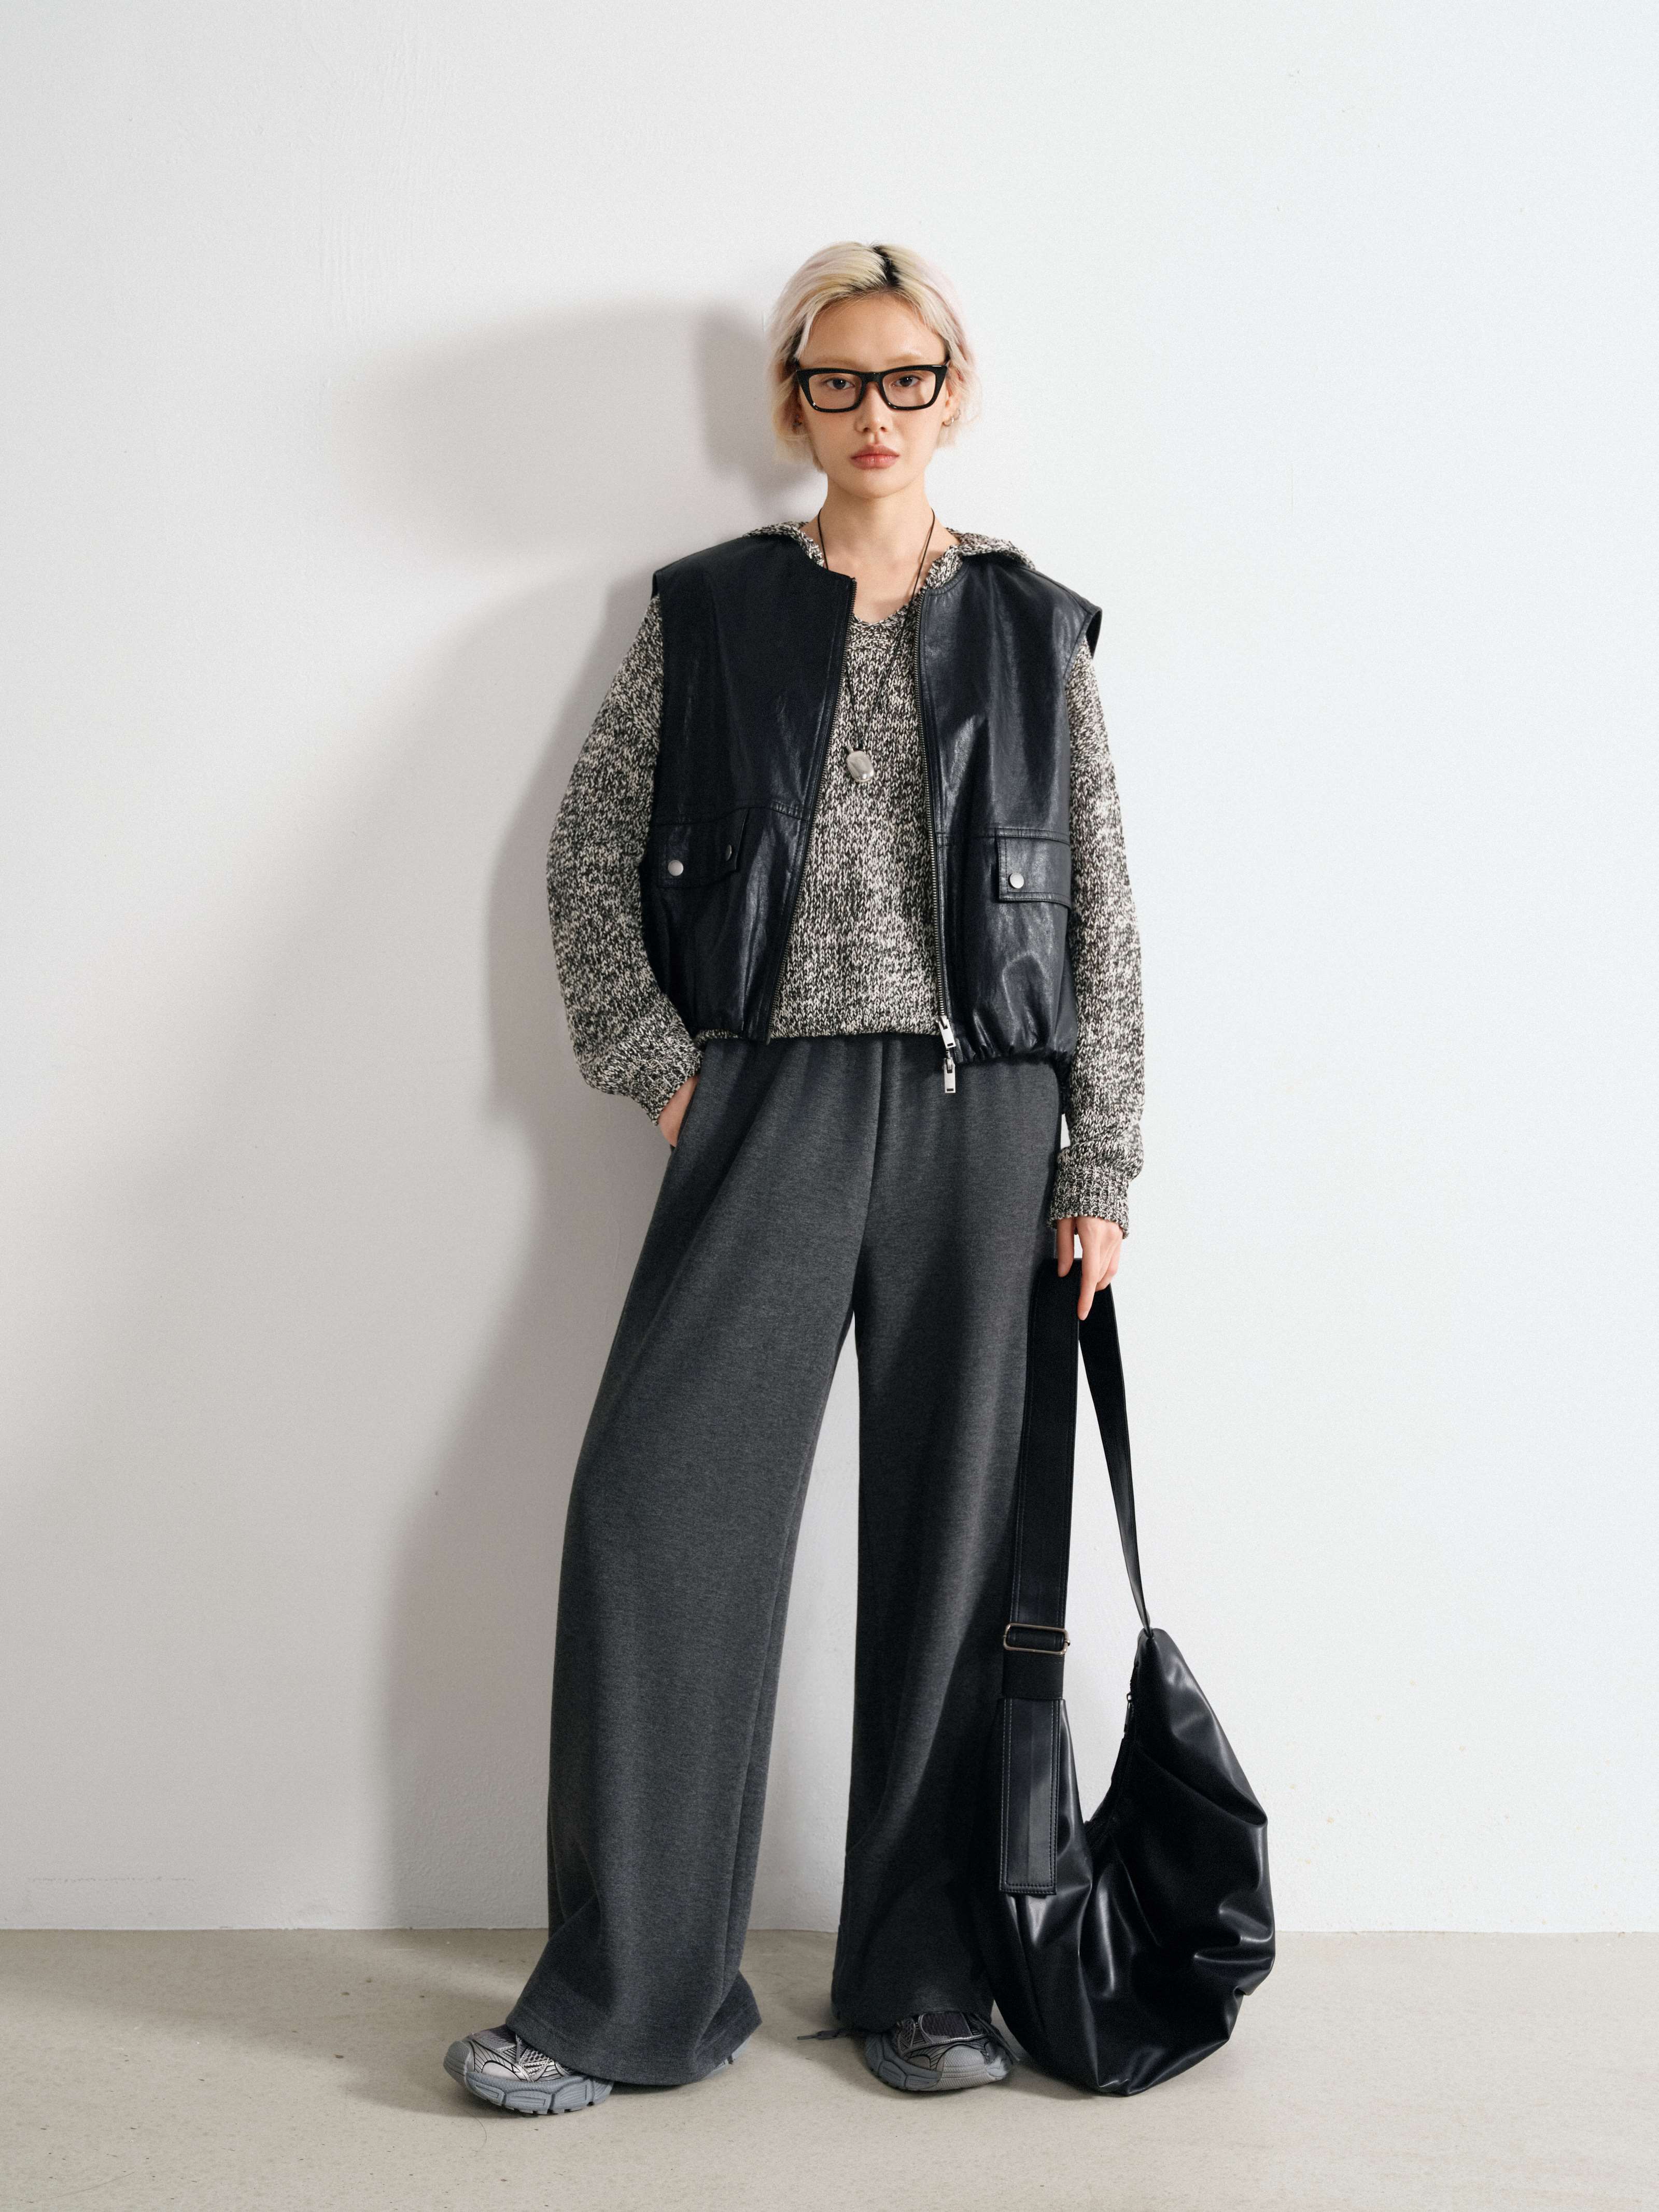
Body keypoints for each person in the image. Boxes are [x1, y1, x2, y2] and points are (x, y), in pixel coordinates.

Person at [444, 241, 1144, 2116]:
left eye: (907, 378)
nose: (873, 412)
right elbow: (588, 857)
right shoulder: (712, 610)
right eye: (838, 380)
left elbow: (1101, 910)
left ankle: (922, 1978)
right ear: (794, 401)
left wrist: (1102, 1152)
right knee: (655, 1519)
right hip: (768, 1097)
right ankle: (629, 1995)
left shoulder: (1037, 628)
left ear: (953, 392)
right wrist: (664, 1069)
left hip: (988, 1113)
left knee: (953, 1555)